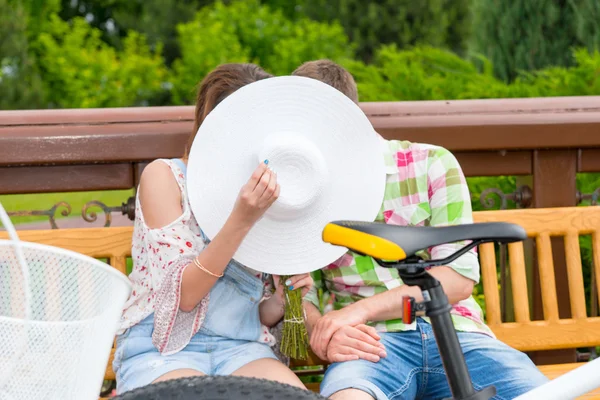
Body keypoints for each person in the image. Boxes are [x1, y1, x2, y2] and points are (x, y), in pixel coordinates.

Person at [293, 60, 549, 400]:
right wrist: (322, 330)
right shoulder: (302, 192)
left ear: (350, 117)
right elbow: (300, 293)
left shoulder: (431, 163)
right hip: (369, 345)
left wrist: (358, 310)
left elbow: (457, 280)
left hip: (457, 333)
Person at [112, 63, 313, 395]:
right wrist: (243, 219)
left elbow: (251, 313)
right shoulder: (165, 178)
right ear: (212, 127)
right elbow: (186, 297)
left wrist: (279, 302)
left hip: (241, 347)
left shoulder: (269, 190)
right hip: (161, 349)